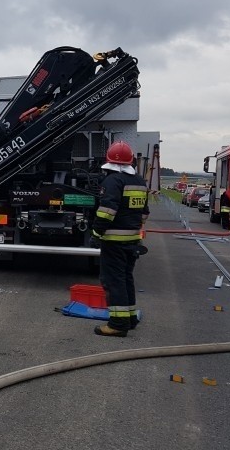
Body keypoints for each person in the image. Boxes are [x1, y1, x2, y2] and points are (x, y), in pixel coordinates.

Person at [90, 141, 149, 337]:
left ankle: (117, 324)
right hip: (132, 240)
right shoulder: (139, 181)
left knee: (113, 281)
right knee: (126, 278)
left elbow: (107, 211)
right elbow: (144, 213)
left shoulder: (112, 181)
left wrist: (97, 233)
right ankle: (130, 318)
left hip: (113, 241)